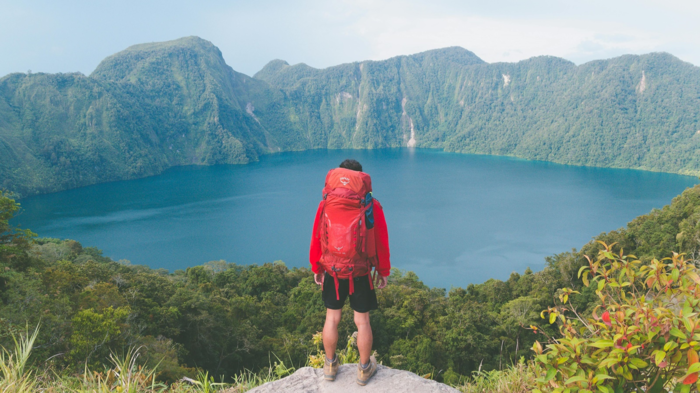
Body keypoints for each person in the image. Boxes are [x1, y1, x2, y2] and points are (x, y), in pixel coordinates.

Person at [309, 159, 391, 386]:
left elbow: (317, 235)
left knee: (332, 318)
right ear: (360, 179)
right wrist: (383, 270)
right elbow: (381, 241)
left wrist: (317, 267)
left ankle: (329, 365)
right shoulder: (370, 204)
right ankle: (364, 369)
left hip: (333, 271)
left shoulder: (326, 203)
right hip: (361, 271)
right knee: (362, 322)